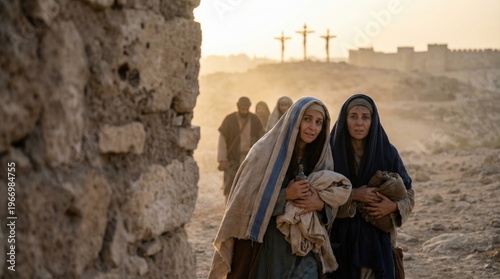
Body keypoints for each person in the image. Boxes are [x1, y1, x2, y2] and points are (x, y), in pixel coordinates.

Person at [209, 97, 352, 279]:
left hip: (305, 246)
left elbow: (330, 197)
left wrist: (320, 204)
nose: (313, 127)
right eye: (307, 119)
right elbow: (243, 203)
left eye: (318, 122)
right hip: (268, 246)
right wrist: (286, 195)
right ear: (295, 119)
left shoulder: (320, 158)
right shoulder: (263, 152)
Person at [327, 94, 415, 279]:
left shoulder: (387, 152)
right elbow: (318, 191)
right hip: (338, 240)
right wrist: (353, 195)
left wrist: (393, 207)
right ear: (345, 119)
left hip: (378, 241)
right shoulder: (329, 152)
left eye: (365, 117)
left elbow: (409, 193)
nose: (359, 122)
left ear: (373, 120)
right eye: (353, 116)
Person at [217, 96, 264, 203]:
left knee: (250, 186)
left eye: (246, 109)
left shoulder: (255, 119)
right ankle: (228, 209)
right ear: (238, 107)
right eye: (242, 108)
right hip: (233, 160)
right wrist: (222, 159)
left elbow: (262, 138)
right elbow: (222, 140)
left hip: (251, 159)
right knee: (230, 186)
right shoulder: (229, 120)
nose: (244, 111)